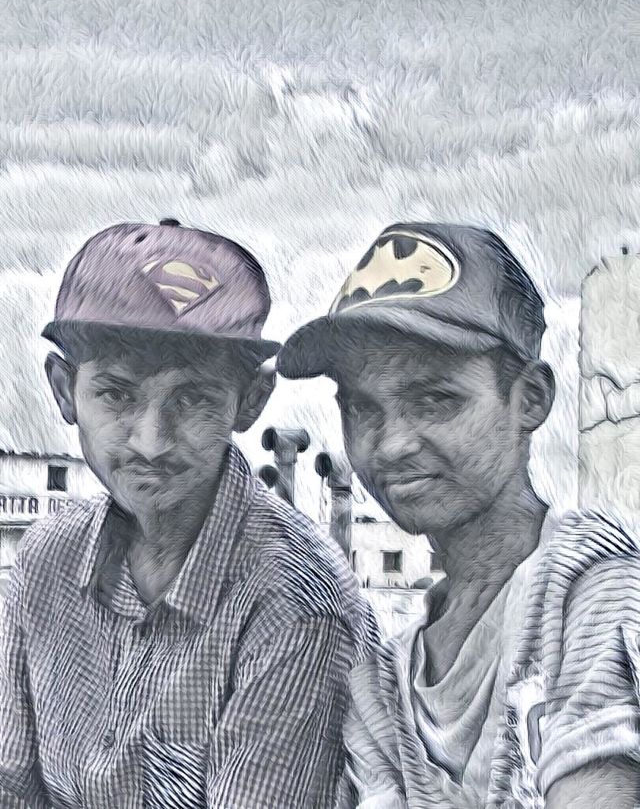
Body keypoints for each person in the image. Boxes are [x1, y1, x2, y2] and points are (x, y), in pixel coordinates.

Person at [0, 218, 378, 809]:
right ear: (64, 390)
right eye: (117, 393)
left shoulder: (297, 604)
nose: (151, 442)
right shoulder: (46, 561)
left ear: (250, 400)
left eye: (193, 397)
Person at [278, 222, 640, 808]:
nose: (392, 444)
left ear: (530, 399)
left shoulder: (595, 600)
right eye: (363, 409)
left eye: (435, 400)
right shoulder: (383, 685)